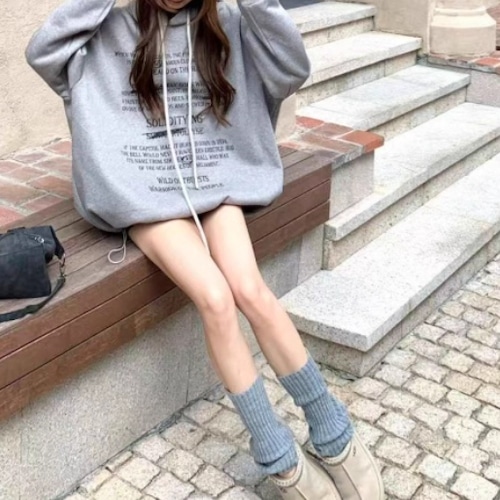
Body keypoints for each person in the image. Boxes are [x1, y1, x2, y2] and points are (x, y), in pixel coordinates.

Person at [26, 0, 383, 497]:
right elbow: (43, 52)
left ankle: (334, 434)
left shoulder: (228, 24)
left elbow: (291, 68)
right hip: (144, 191)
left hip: (215, 178)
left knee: (251, 290)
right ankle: (278, 457)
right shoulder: (107, 30)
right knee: (215, 298)